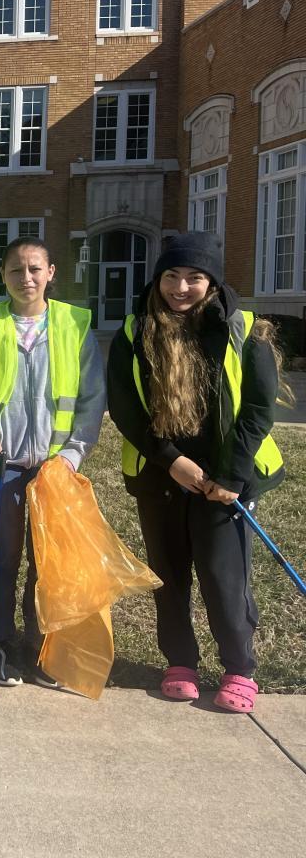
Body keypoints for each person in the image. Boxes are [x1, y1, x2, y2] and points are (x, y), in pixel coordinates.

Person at [107, 232, 285, 713]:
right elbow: (124, 407)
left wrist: (230, 477)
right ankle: (180, 662)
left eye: (194, 277)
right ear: (158, 278)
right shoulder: (135, 330)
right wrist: (172, 461)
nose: (180, 287)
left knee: (222, 576)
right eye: (171, 275)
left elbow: (259, 411)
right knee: (169, 576)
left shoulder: (245, 330)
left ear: (213, 282)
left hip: (224, 481)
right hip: (162, 476)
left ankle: (239, 667)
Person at [0, 236, 105, 687]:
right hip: (3, 465)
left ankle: (39, 645)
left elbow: (91, 399)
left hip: (54, 468)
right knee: (4, 554)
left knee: (45, 558)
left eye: (35, 268)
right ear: (3, 276)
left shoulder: (74, 325)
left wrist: (72, 455)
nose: (26, 278)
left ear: (51, 273)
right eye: (16, 270)